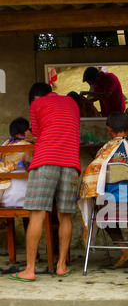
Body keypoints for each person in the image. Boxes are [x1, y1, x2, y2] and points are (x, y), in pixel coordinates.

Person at [9, 82, 81, 282]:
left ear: (35, 98)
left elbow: (39, 136)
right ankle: (61, 266)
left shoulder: (36, 105)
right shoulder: (72, 103)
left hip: (45, 160)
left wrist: (33, 137)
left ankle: (29, 270)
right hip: (71, 162)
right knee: (65, 216)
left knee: (37, 214)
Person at [77, 111, 128, 268]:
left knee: (98, 205)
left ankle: (124, 249)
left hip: (109, 210)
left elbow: (89, 178)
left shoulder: (104, 152)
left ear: (108, 128)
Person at [0, 117, 34, 208]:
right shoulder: (32, 144)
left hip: (6, 200)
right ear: (27, 131)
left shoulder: (6, 145)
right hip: (31, 198)